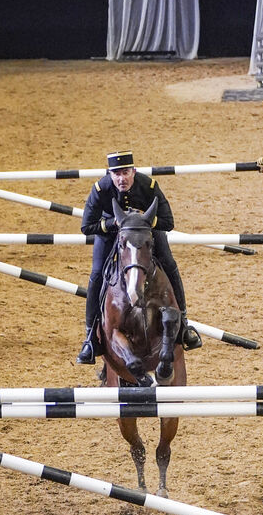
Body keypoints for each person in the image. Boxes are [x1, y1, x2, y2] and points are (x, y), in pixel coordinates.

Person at [76, 151, 201, 364]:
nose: (121, 179)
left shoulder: (149, 186)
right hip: (112, 234)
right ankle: (90, 338)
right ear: (110, 174)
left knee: (169, 264)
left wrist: (142, 222)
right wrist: (112, 224)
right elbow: (86, 227)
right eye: (117, 174)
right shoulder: (100, 189)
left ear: (134, 172)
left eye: (125, 172)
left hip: (144, 231)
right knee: (97, 274)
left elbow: (168, 222)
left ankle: (184, 325)